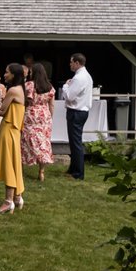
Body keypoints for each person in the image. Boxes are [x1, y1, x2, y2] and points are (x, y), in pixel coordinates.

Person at [0, 63, 27, 213]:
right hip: (15, 131)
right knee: (14, 163)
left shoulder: (13, 90)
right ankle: (17, 197)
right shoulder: (21, 89)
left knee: (8, 164)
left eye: (6, 72)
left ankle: (8, 201)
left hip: (8, 129)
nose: (4, 74)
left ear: (14, 75)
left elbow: (1, 111)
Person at [21, 62, 56, 182]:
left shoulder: (29, 85)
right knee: (43, 142)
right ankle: (41, 171)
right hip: (44, 115)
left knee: (26, 140)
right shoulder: (50, 87)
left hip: (31, 114)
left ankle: (22, 167)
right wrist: (50, 118)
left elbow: (25, 101)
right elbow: (52, 105)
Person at [62, 52, 93, 180]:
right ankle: (73, 169)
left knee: (76, 143)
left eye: (71, 62)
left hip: (76, 112)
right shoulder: (86, 76)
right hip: (81, 111)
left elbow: (69, 96)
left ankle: (78, 173)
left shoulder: (79, 78)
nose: (70, 64)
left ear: (77, 63)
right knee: (74, 142)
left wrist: (65, 85)